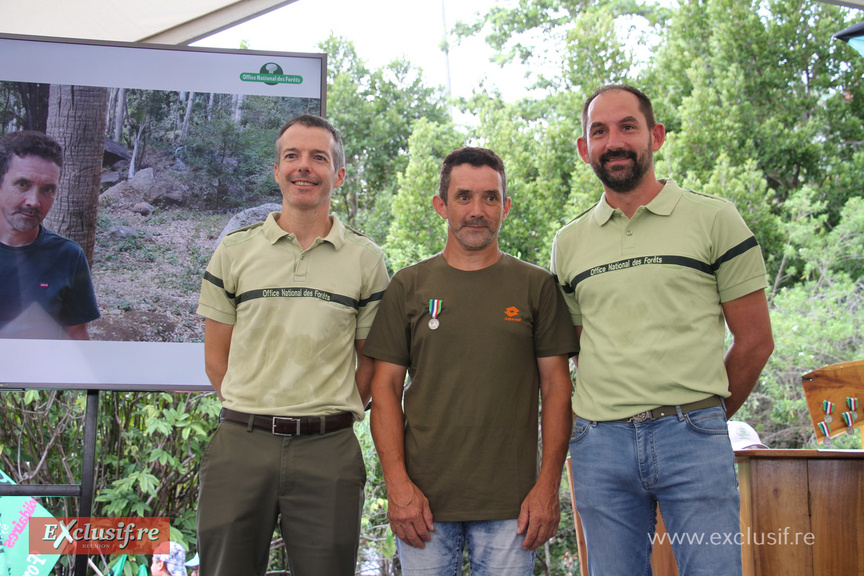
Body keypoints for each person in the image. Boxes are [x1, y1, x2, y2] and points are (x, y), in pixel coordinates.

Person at [550, 84, 775, 576]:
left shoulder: (715, 219)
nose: (613, 141)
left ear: (656, 136)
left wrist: (704, 415)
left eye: (627, 127)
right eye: (599, 131)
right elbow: (578, 350)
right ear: (584, 147)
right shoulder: (568, 244)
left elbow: (756, 341)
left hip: (693, 438)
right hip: (599, 448)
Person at [364, 147, 578, 575]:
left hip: (513, 506)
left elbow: (558, 388)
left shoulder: (536, 286)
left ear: (506, 206)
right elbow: (383, 389)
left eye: (490, 198)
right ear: (441, 205)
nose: (477, 210)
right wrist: (398, 486)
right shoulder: (408, 285)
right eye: (464, 197)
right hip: (422, 504)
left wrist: (547, 487)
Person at [195, 114, 389, 576]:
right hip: (241, 447)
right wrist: (258, 411)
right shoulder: (234, 251)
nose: (304, 167)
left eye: (318, 157)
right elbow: (216, 361)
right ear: (276, 170)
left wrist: (322, 411)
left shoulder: (368, 260)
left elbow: (369, 368)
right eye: (292, 156)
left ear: (337, 175)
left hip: (329, 451)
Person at [0, 130, 99, 339]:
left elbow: (77, 334)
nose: (34, 202)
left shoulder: (68, 256)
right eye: (22, 184)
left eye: (48, 189)